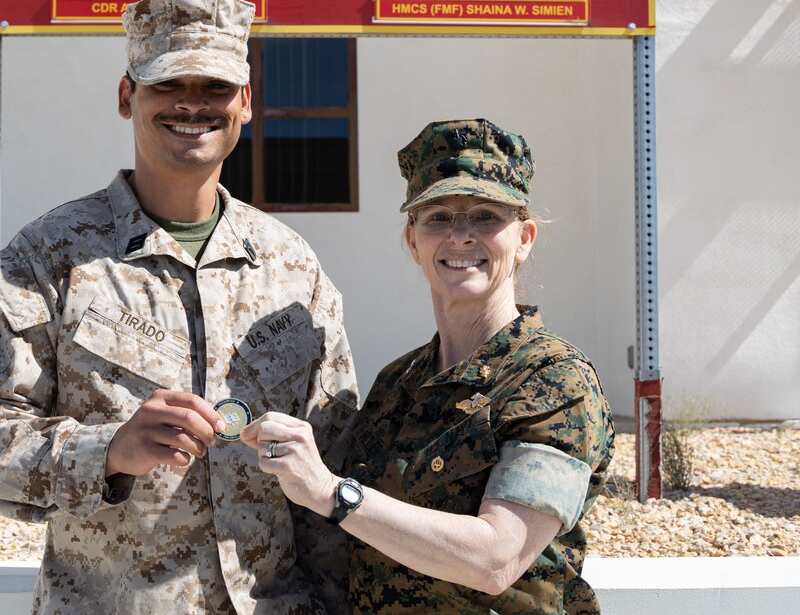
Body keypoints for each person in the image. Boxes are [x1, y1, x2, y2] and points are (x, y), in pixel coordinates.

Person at [0, 0, 359, 614]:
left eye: (216, 87)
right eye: (168, 83)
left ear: (245, 104)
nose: (192, 103)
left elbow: (335, 459)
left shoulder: (293, 268)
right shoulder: (48, 257)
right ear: (125, 97)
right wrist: (108, 451)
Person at [241, 119, 614, 613]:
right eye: (437, 216)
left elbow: (495, 559)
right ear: (413, 241)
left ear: (523, 238)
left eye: (484, 216)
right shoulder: (397, 383)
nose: (459, 236)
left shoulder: (552, 380)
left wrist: (331, 493)